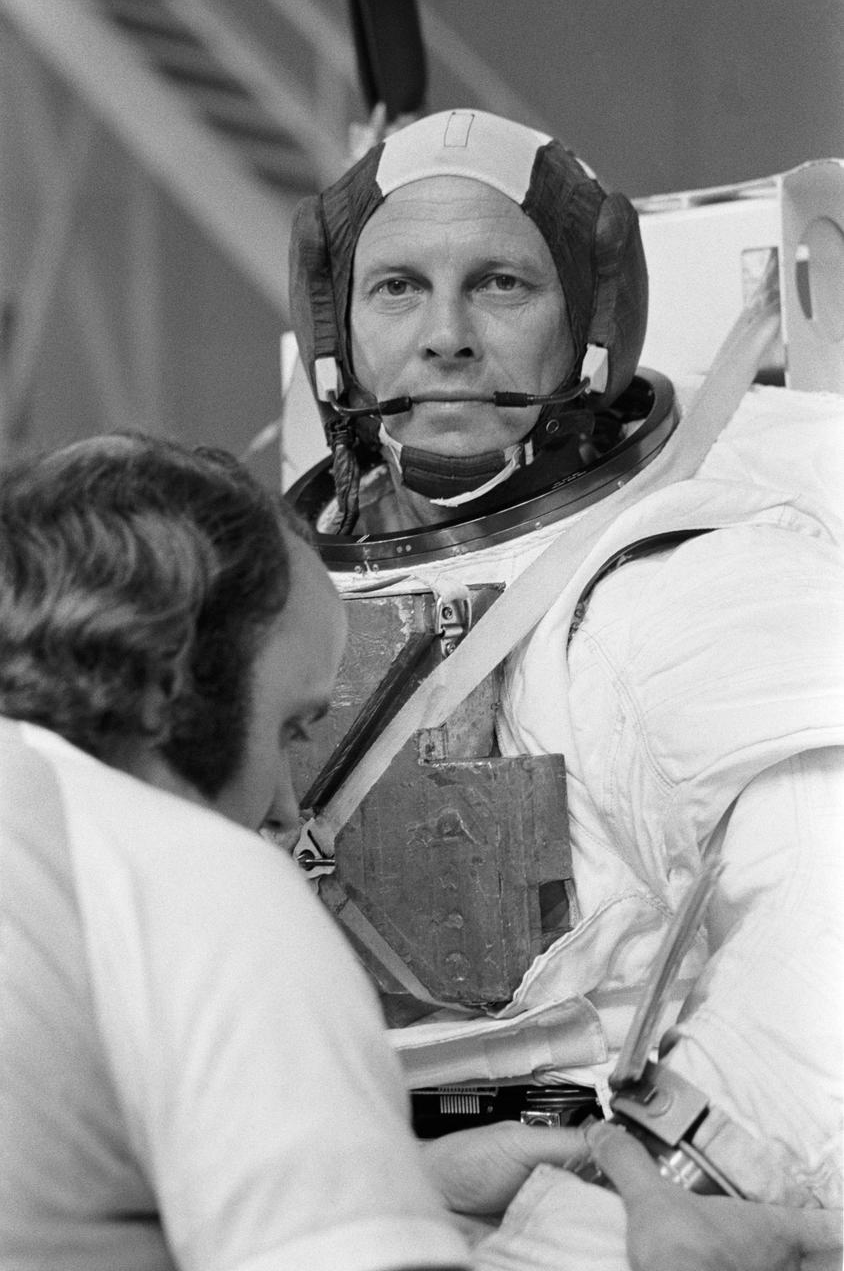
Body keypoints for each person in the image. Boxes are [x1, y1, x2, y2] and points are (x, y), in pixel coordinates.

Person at [285, 108, 844, 1250]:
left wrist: (655, 1183)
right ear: (334, 334)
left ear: (591, 326)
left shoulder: (672, 583)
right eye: (397, 289)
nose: (444, 336)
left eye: (498, 284)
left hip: (585, 1199)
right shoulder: (253, 594)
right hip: (331, 1186)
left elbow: (825, 913)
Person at [0, 430, 600, 1271]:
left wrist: (402, 1186)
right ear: (178, 674)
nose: (287, 806)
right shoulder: (191, 880)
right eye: (288, 730)